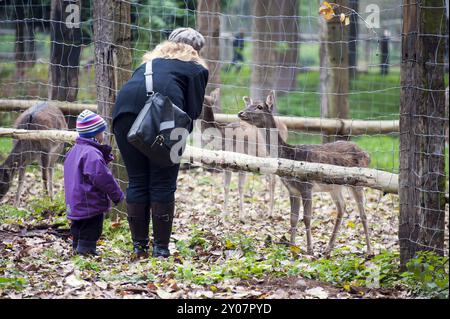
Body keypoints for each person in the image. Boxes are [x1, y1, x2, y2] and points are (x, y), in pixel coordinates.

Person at [112, 27, 209, 259]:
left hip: (124, 112)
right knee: (163, 182)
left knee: (137, 180)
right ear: (196, 50)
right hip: (165, 115)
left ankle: (139, 247)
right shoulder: (196, 69)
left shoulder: (147, 64)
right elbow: (192, 111)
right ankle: (161, 249)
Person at [64, 110, 124, 256]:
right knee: (91, 229)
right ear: (95, 134)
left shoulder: (75, 150)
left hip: (75, 202)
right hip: (89, 202)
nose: (104, 135)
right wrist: (116, 194)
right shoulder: (91, 154)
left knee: (78, 228)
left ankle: (77, 248)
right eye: (102, 132)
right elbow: (102, 177)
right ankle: (86, 253)